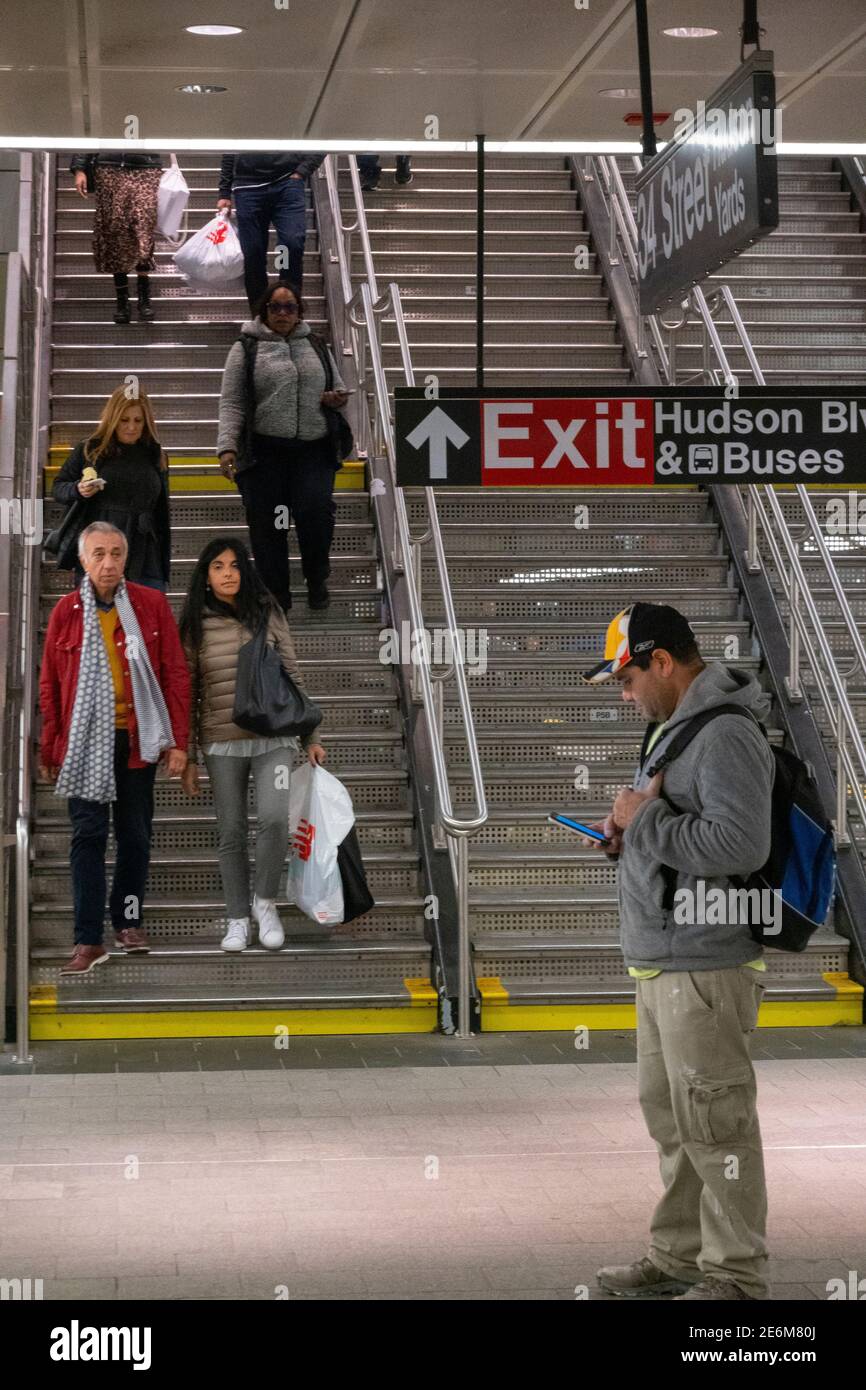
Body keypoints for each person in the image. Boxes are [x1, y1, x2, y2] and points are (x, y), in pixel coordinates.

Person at [580, 603, 774, 1302]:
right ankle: (681, 1255)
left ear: (662, 662)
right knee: (674, 1118)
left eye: (628, 681)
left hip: (706, 959)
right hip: (663, 955)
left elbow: (739, 845)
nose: (626, 697)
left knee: (715, 1122)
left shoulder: (721, 734)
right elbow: (671, 832)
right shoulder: (675, 728)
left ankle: (736, 1279)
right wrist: (624, 836)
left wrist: (646, 819)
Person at [39, 523, 190, 974]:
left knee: (135, 835)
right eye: (99, 554)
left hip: (137, 738)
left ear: (126, 558)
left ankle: (128, 920)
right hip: (84, 742)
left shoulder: (150, 605)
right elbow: (49, 686)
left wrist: (178, 741)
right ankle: (88, 940)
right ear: (84, 561)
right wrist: (51, 748)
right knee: (87, 837)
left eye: (117, 553)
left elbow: (174, 673)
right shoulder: (66, 612)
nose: (108, 563)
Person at [179, 538, 326, 953]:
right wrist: (188, 755)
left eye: (234, 565)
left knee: (276, 820)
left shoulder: (268, 612)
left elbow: (292, 673)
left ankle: (265, 904)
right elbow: (188, 692)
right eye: (217, 567)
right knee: (231, 831)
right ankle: (237, 918)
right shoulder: (194, 622)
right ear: (205, 577)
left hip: (273, 737)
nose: (228, 573)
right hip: (221, 741)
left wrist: (311, 735)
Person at [216, 282, 349, 612]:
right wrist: (227, 447)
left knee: (316, 514)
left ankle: (316, 577)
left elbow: (338, 386)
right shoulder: (246, 348)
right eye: (275, 307)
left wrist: (335, 398)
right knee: (268, 526)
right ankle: (276, 594)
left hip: (313, 451)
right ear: (264, 311)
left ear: (299, 311)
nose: (283, 313)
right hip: (265, 454)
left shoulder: (316, 343)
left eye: (290, 307)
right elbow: (232, 402)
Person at [51, 386, 171, 592]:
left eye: (138, 420)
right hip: (102, 549)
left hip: (146, 552)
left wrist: (163, 560)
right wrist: (78, 490)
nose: (131, 427)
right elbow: (58, 487)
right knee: (101, 620)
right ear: (113, 419)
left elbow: (161, 513)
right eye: (124, 420)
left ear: (146, 422)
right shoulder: (91, 450)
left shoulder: (156, 455)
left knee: (145, 620)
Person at [216, 149, 325, 307]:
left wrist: (303, 170)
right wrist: (224, 192)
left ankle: (286, 302)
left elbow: (322, 138)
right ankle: (260, 315)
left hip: (287, 183)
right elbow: (230, 147)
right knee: (253, 254)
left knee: (289, 245)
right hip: (248, 188)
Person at [69, 149, 164, 323]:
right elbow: (89, 130)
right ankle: (122, 300)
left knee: (143, 228)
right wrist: (79, 167)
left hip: (145, 166)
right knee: (115, 231)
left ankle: (144, 296)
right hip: (109, 166)